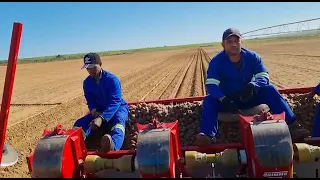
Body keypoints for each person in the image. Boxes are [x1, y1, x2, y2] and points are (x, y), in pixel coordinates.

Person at [196, 28, 310, 146]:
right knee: (209, 101)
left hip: (248, 97)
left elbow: (263, 76)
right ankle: (208, 136)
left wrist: (253, 85)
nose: (234, 44)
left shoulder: (252, 57)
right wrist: (223, 98)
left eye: (237, 40)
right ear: (223, 45)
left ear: (241, 41)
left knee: (270, 90)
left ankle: (292, 126)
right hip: (227, 101)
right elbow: (211, 84)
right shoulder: (216, 62)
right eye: (229, 41)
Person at [73, 52, 129, 152]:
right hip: (99, 110)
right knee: (80, 123)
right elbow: (90, 100)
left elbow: (115, 101)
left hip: (117, 108)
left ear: (100, 64)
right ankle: (76, 147)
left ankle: (113, 146)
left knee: (118, 122)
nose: (90, 70)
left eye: (92, 67)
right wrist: (94, 112)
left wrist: (102, 118)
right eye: (87, 68)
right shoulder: (87, 83)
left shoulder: (112, 80)